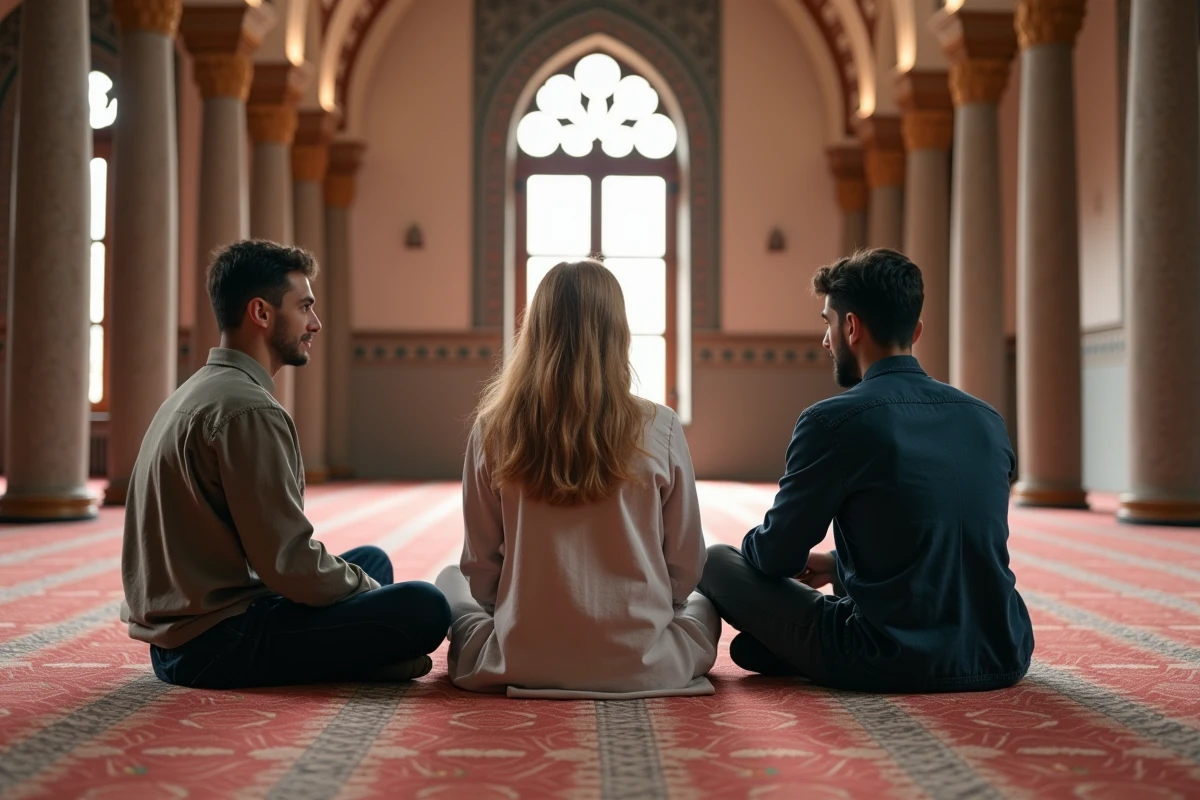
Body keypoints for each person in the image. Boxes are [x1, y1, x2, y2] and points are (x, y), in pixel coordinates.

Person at [698, 248, 1034, 692]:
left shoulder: (832, 421)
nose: (824, 340)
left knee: (717, 561)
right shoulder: (986, 418)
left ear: (850, 327)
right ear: (915, 330)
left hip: (886, 657)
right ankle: (789, 646)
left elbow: (776, 555)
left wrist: (769, 554)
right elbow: (947, 527)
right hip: (1003, 650)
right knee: (764, 640)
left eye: (826, 323)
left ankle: (794, 648)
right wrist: (835, 565)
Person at [121, 239, 450, 688]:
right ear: (261, 313)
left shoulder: (197, 390)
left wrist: (360, 585)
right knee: (424, 606)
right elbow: (288, 563)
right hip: (217, 642)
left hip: (186, 631)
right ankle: (373, 661)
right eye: (305, 307)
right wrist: (374, 594)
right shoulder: (249, 410)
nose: (315, 323)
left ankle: (372, 659)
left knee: (372, 560)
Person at [435, 260, 719, 696]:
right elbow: (684, 565)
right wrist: (659, 610)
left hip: (524, 655)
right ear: (618, 331)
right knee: (704, 602)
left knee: (449, 578)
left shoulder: (493, 428)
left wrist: (512, 614)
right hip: (643, 658)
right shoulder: (660, 425)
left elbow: (480, 568)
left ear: (535, 331)